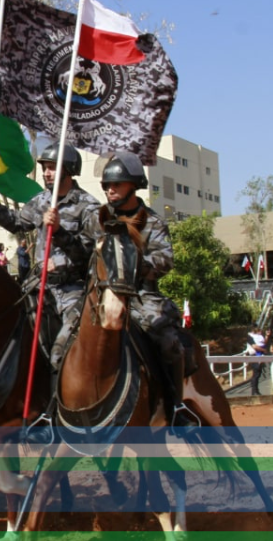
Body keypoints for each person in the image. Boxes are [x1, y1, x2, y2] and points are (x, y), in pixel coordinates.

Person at [82, 151, 199, 433]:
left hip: (142, 296)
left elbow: (165, 260)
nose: (110, 190)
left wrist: (133, 265)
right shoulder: (96, 219)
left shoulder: (154, 223)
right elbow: (80, 246)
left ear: (133, 186)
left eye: (117, 184)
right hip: (103, 294)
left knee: (169, 341)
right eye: (107, 185)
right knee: (63, 336)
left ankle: (176, 406)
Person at [0, 145, 98, 368]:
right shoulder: (41, 201)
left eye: (52, 168)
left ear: (69, 170)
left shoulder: (88, 207)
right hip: (36, 285)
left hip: (72, 289)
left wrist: (61, 237)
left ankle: (59, 398)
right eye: (44, 168)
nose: (46, 173)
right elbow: (16, 223)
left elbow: (92, 253)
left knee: (63, 351)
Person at [247, 327, 269, 396]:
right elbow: (255, 346)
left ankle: (255, 390)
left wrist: (267, 336)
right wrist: (264, 350)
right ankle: (254, 390)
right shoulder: (250, 337)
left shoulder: (257, 337)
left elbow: (263, 342)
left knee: (258, 373)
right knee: (256, 373)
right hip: (255, 355)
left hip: (258, 355)